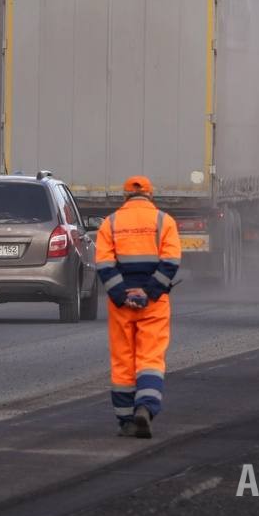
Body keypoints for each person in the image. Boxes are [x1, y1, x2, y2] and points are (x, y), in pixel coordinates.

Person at [94, 175, 181, 438]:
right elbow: (171, 260)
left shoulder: (109, 223)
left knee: (123, 361)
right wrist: (149, 292)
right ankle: (146, 407)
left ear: (125, 197)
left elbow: (104, 264)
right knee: (150, 358)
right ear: (150, 196)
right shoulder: (164, 221)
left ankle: (126, 422)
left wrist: (123, 295)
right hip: (154, 304)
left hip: (121, 305)